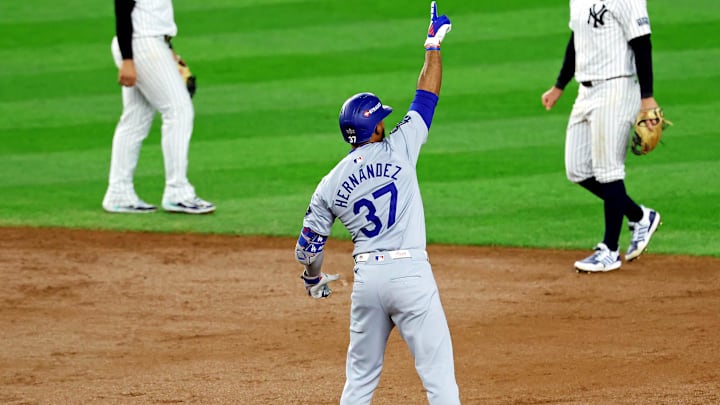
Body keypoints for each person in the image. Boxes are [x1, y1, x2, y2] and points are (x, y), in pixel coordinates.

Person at [293, 2, 459, 404]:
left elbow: (308, 248)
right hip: (411, 276)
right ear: (377, 126)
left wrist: (314, 279)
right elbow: (426, 94)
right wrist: (432, 44)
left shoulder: (329, 183)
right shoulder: (400, 146)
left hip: (367, 281)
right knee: (439, 381)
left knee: (359, 382)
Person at [541, 0, 662, 272]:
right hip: (585, 92)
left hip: (616, 88)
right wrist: (559, 85)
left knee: (609, 171)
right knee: (577, 169)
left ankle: (609, 250)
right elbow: (577, 38)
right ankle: (639, 216)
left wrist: (647, 99)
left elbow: (642, 42)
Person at [103, 0, 215, 214]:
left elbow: (154, 10)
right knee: (179, 111)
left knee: (135, 118)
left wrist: (168, 50)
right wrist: (128, 59)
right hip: (142, 43)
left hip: (151, 43)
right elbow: (122, 6)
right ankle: (177, 191)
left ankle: (119, 192)